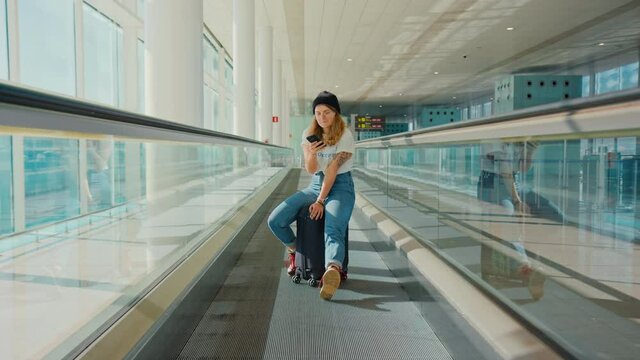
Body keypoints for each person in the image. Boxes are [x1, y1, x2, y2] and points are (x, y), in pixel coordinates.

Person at [267, 90, 355, 301]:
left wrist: (320, 201)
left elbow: (332, 171)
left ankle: (332, 269)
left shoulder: (345, 136)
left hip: (341, 187)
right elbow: (311, 169)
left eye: (327, 112)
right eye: (318, 113)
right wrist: (312, 152)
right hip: (316, 184)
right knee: (276, 220)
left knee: (332, 227)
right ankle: (297, 252)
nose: (322, 117)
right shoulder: (309, 132)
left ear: (336, 113)